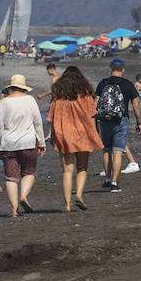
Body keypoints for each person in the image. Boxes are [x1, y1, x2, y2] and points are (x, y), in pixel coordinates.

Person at [47, 65, 104, 211]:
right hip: (82, 133)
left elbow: (53, 117)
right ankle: (78, 195)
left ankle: (67, 205)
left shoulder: (58, 95)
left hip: (64, 134)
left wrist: (52, 134)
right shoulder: (85, 93)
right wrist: (94, 134)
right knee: (82, 167)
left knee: (67, 171)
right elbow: (92, 115)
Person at [0, 74, 45, 216]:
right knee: (29, 172)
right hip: (28, 142)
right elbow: (37, 123)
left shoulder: (4, 102)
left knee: (11, 177)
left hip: (8, 144)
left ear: (11, 87)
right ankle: (23, 196)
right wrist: (41, 142)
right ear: (24, 87)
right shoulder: (30, 100)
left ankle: (14, 209)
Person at [95, 58, 141, 191]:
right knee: (117, 151)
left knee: (106, 150)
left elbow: (95, 103)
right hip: (121, 120)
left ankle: (107, 179)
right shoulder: (127, 84)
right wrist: (139, 122)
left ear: (110, 69)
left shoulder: (103, 83)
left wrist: (95, 121)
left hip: (105, 121)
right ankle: (114, 184)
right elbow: (136, 104)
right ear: (123, 70)